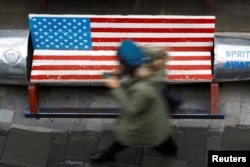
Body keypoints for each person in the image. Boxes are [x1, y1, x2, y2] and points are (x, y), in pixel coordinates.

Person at [89, 40, 177, 163]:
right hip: (157, 114)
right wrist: (123, 71)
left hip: (144, 122)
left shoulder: (143, 88)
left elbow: (132, 108)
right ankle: (170, 150)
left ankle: (107, 155)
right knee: (161, 135)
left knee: (126, 138)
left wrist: (116, 88)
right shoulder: (150, 62)